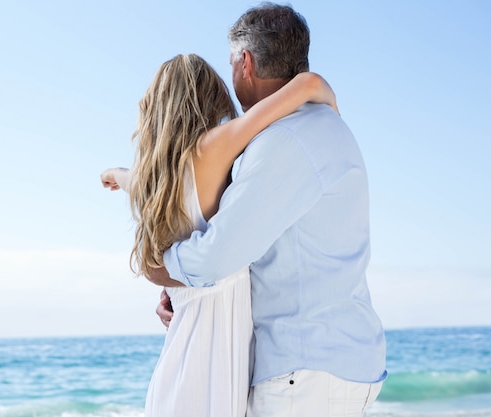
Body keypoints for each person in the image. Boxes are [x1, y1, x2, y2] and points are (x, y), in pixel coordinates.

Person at [148, 4, 387, 417]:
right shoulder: (325, 126)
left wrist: (162, 269)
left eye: (231, 63)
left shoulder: (286, 140)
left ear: (246, 63)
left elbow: (217, 257)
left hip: (306, 375)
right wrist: (181, 291)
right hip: (333, 365)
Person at [101, 53, 338, 417]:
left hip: (182, 347)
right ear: (207, 98)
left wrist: (116, 174)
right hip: (219, 348)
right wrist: (331, 110)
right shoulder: (213, 148)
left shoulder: (156, 179)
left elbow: (137, 180)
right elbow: (307, 85)